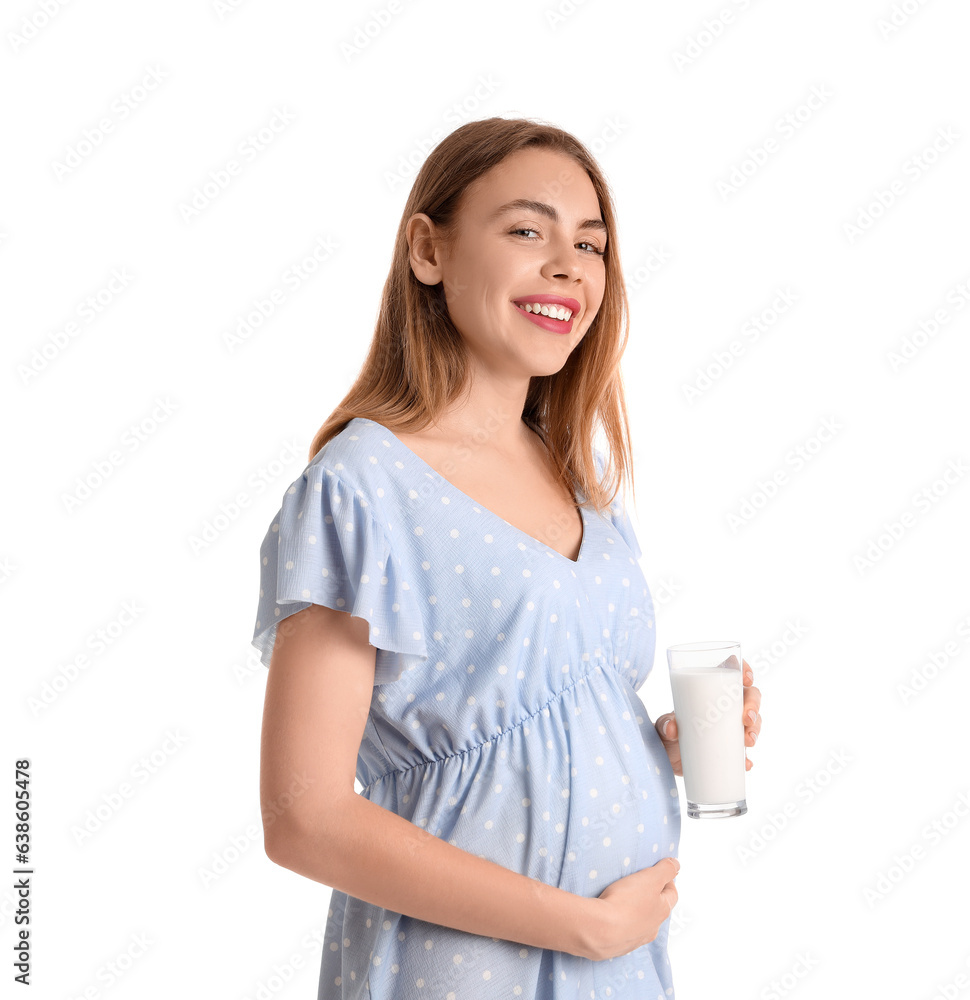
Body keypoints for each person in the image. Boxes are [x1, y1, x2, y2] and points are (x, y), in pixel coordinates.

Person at [252, 116, 763, 1000]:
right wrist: (583, 924)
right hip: (461, 970)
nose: (569, 264)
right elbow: (305, 817)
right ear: (428, 250)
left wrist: (654, 744)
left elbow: (533, 715)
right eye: (528, 230)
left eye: (591, 244)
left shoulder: (583, 478)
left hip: (619, 967)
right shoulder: (365, 485)